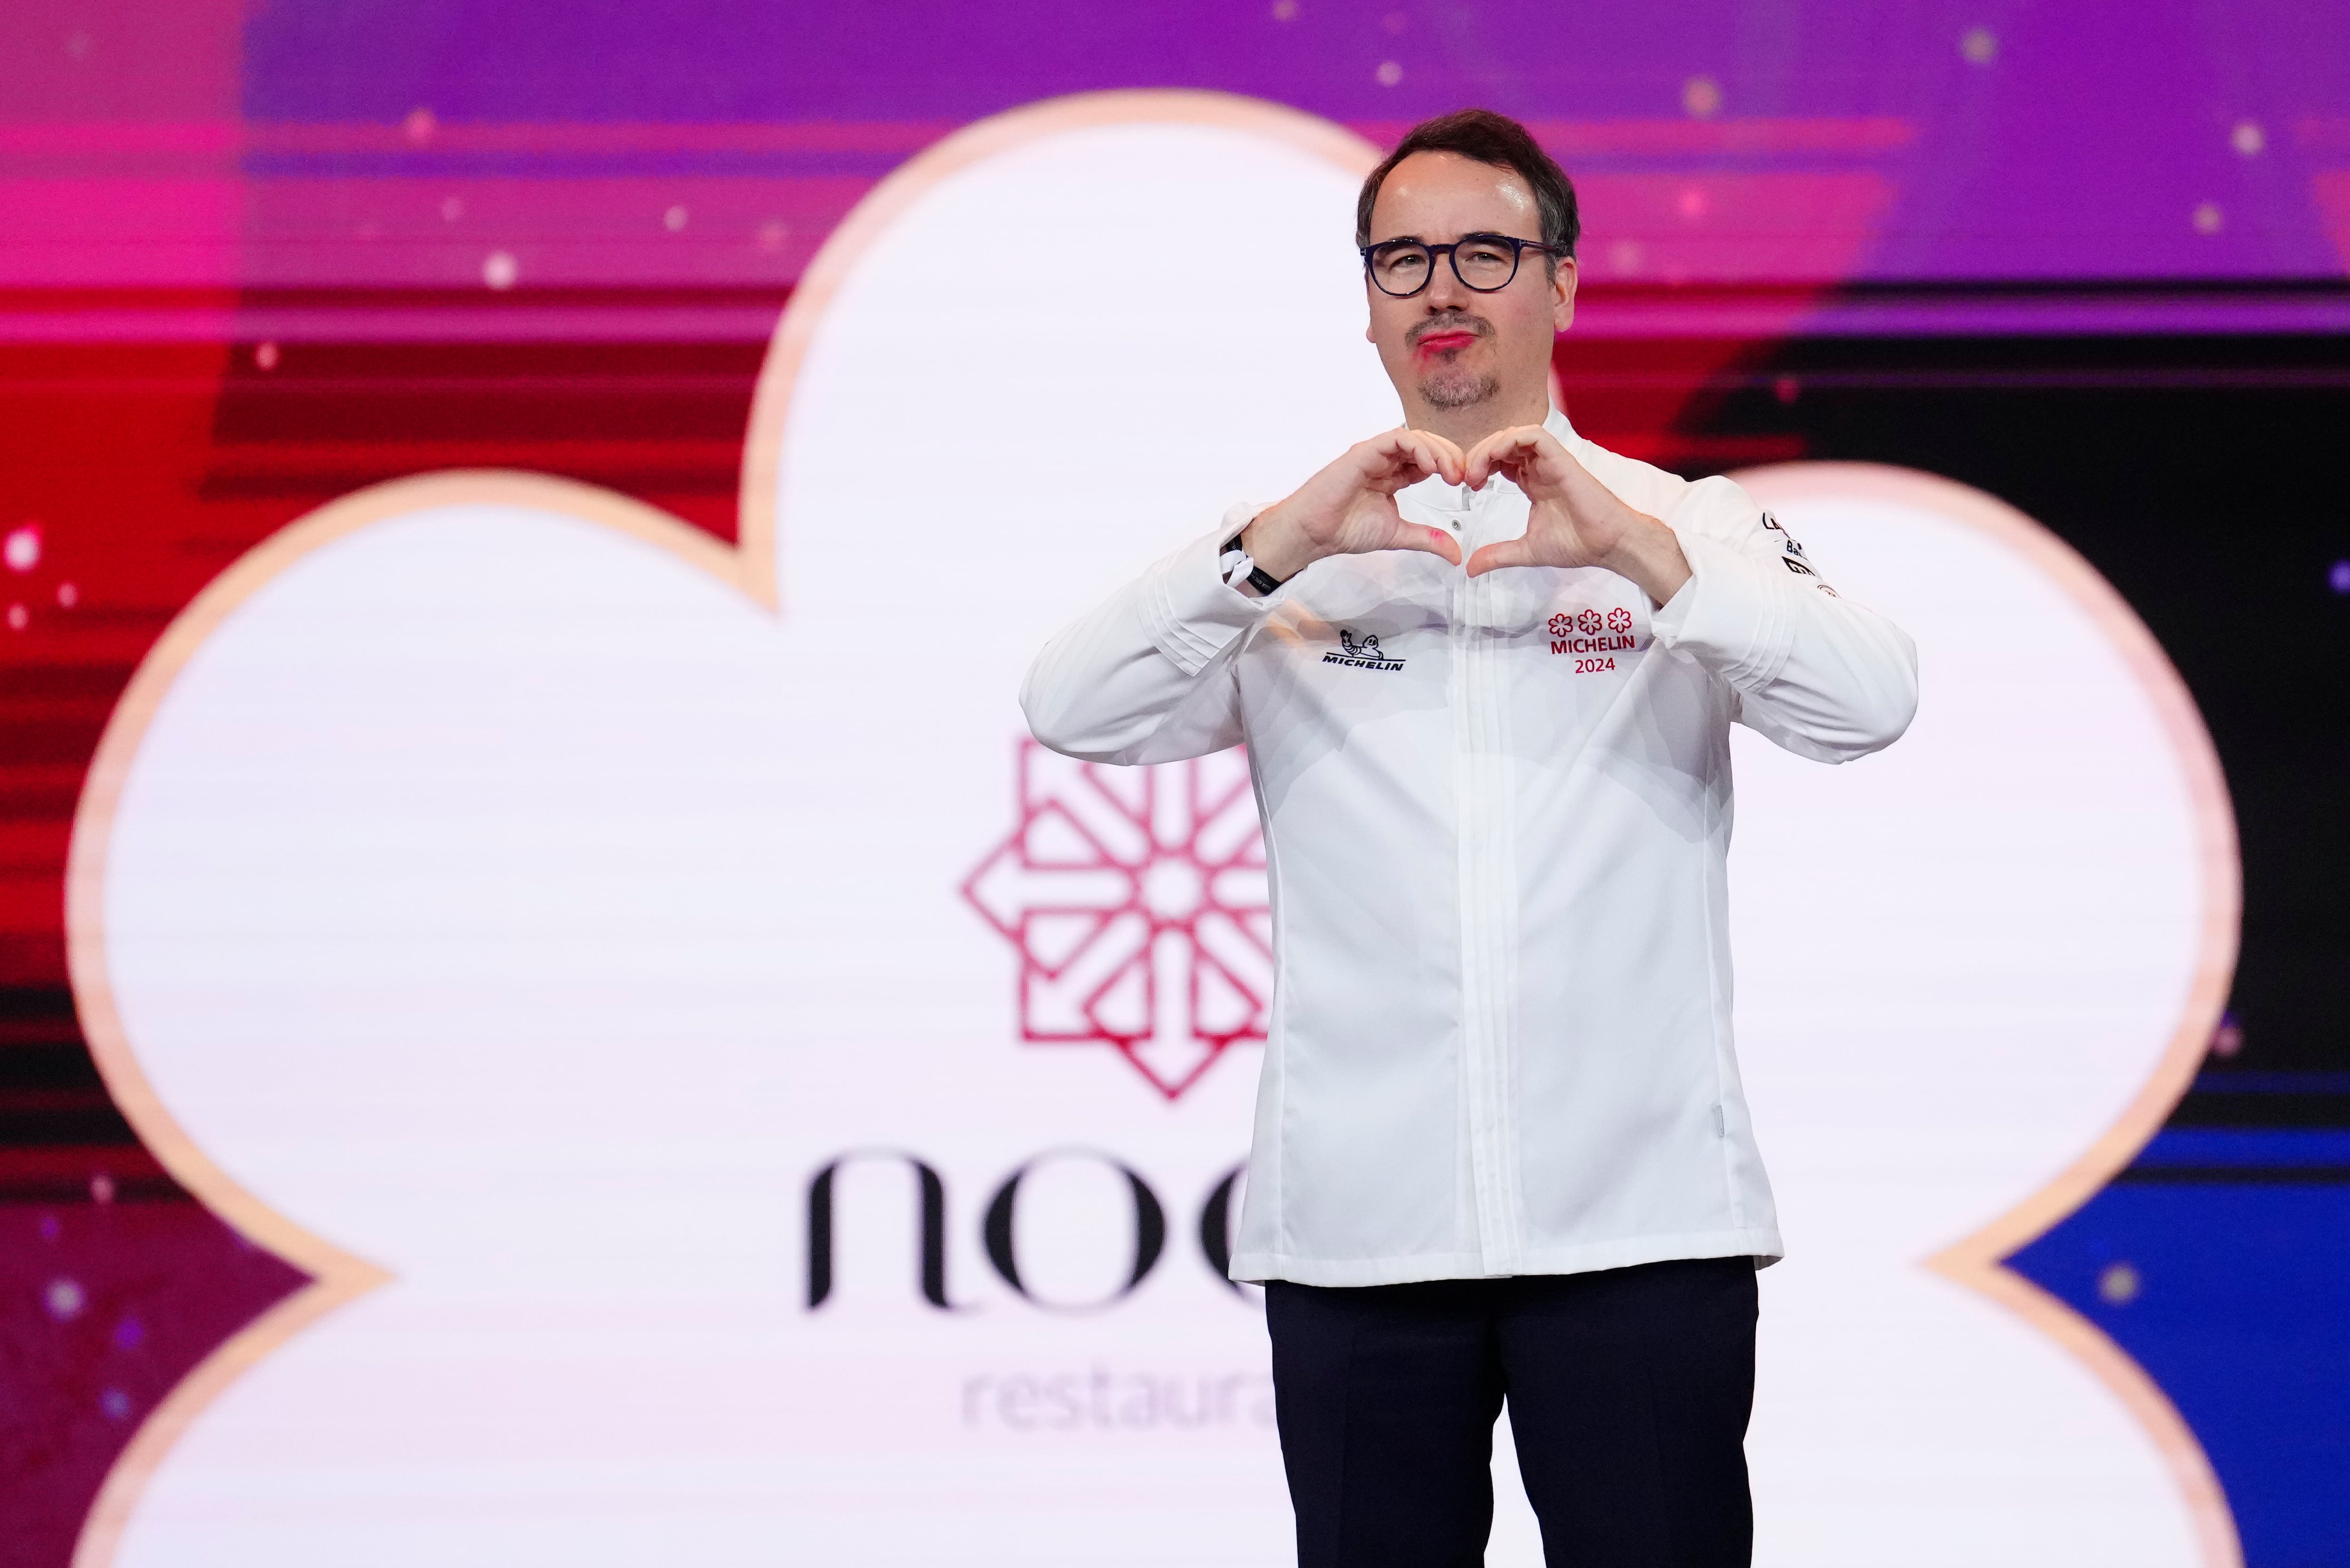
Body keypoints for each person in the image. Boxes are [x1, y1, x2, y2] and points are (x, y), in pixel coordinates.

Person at [1021, 109, 1918, 1567]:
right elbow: (1071, 707)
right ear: (1369, 304)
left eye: (1485, 252)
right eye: (1403, 260)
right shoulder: (1288, 555)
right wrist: (1276, 543)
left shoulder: (1685, 523)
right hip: (1359, 1245)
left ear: (1562, 281)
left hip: (1640, 1235)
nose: (1442, 288)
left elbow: (1870, 703)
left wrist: (1638, 555)